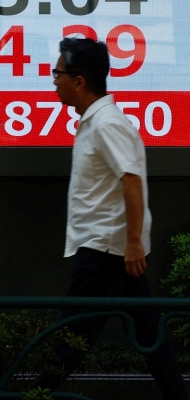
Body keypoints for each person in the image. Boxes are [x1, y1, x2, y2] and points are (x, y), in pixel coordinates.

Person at [36, 36, 186, 399]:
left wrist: (134, 242)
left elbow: (131, 180)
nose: (54, 80)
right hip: (113, 251)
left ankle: (35, 396)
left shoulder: (107, 124)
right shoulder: (95, 122)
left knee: (71, 336)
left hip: (104, 252)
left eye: (58, 73)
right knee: (150, 335)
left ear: (79, 80)